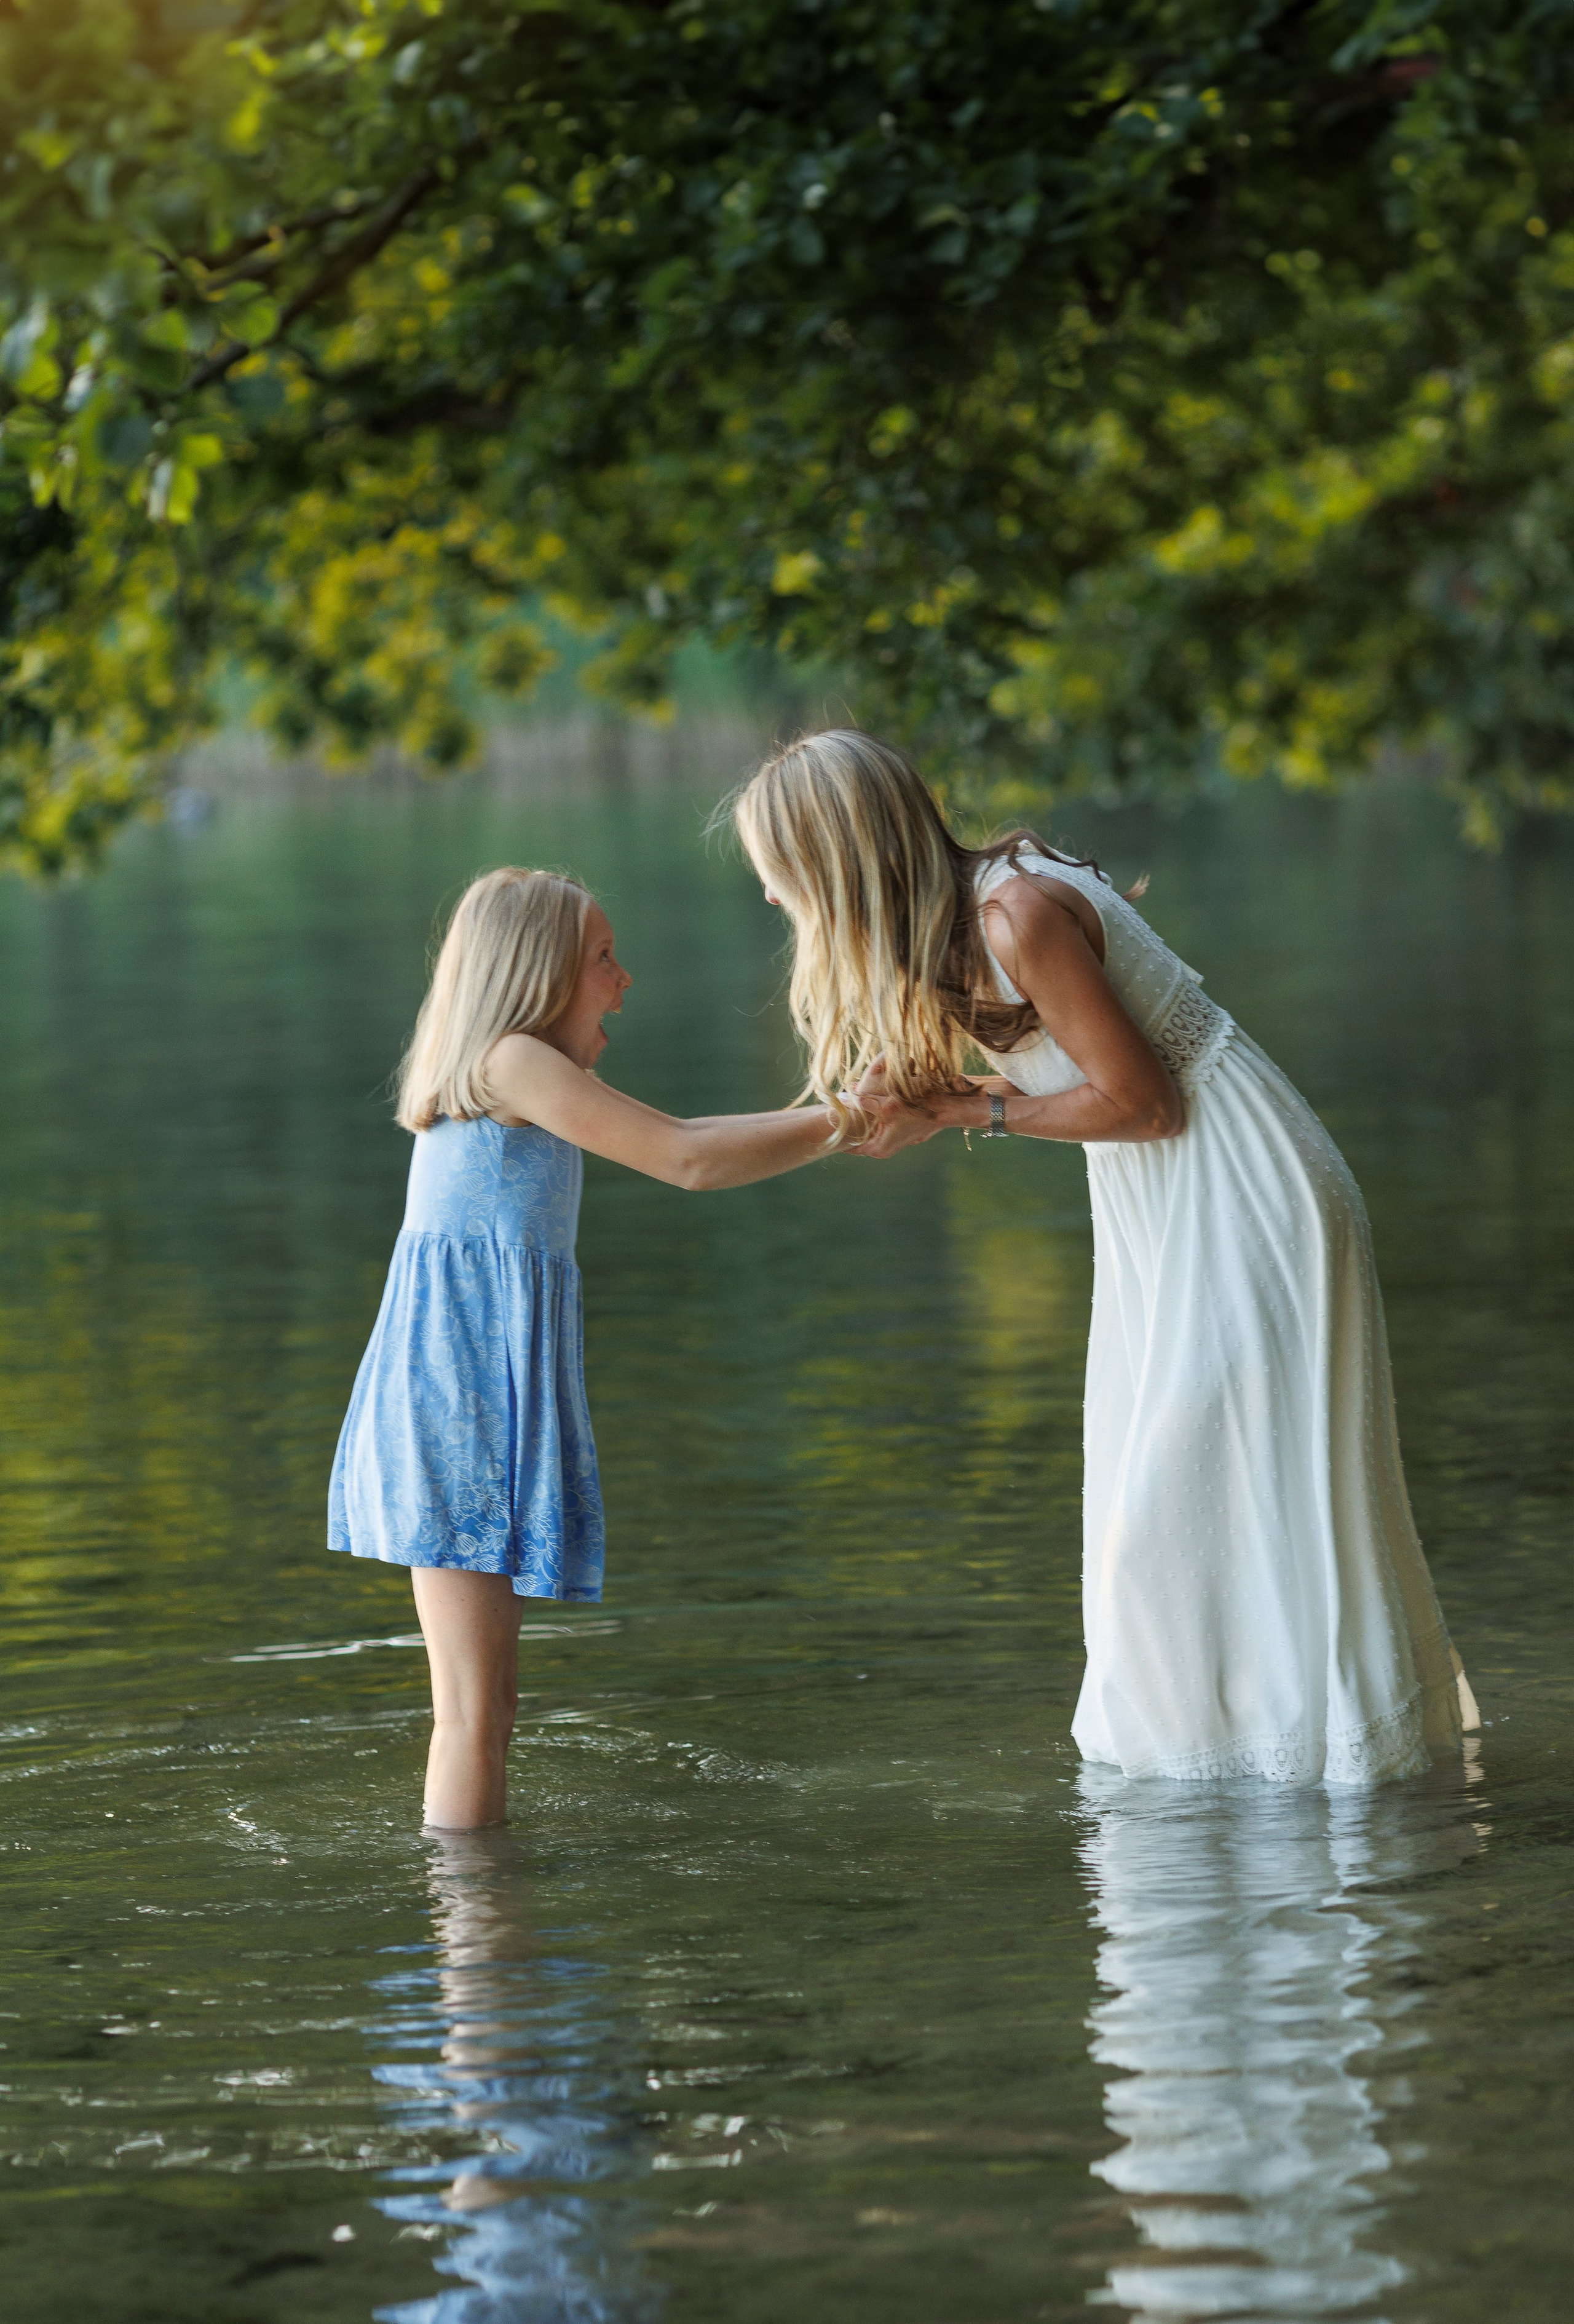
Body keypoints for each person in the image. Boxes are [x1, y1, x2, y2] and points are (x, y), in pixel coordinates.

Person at [726, 728, 1477, 1786]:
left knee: (1203, 1501)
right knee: (1173, 1503)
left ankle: (1321, 1778)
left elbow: (1146, 1102)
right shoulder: (942, 931)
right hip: (1156, 1208)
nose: (768, 895)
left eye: (776, 867)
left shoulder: (1014, 912)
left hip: (1239, 1185)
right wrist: (910, 1103)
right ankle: (1246, 1779)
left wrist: (964, 1109)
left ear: (832, 857)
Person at [329, 867, 872, 1830]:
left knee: (482, 1712)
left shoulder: (514, 1075)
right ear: (536, 975)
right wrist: (850, 1120)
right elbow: (687, 1160)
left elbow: (688, 1135)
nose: (624, 981)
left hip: (465, 1401)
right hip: (460, 1408)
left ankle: (486, 1939)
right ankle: (476, 1952)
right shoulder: (510, 1065)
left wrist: (840, 1114)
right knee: (470, 1717)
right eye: (603, 959)